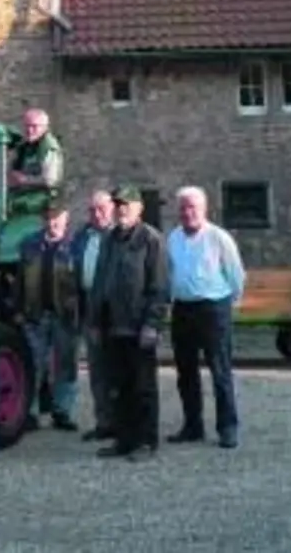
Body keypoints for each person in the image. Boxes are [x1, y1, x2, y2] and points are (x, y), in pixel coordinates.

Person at [89, 185, 170, 462]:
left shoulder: (151, 240)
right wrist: (96, 322)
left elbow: (159, 287)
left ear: (139, 208)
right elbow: (101, 282)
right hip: (113, 326)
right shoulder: (109, 239)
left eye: (127, 204)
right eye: (118, 204)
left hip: (138, 327)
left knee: (143, 387)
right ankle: (124, 440)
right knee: (118, 386)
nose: (122, 209)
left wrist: (152, 324)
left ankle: (146, 442)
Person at [166, 186, 247, 449]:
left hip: (213, 308)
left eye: (193, 207)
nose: (188, 212)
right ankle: (193, 426)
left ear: (204, 209)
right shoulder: (173, 238)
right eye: (183, 207)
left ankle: (228, 427)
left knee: (220, 370)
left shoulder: (218, 238)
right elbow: (168, 273)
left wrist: (227, 303)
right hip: (183, 309)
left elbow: (235, 274)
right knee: (185, 372)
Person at [17, 195, 81, 432]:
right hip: (36, 314)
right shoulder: (29, 245)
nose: (53, 222)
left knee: (66, 365)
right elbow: (19, 281)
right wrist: (19, 310)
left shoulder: (76, 246)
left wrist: (79, 312)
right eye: (49, 218)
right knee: (34, 364)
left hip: (65, 315)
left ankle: (62, 411)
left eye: (57, 218)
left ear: (66, 218)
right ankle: (31, 412)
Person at [72, 190, 116, 442]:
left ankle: (122, 422)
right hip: (89, 305)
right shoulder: (82, 236)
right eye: (92, 210)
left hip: (114, 307)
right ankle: (103, 421)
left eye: (101, 209)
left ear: (111, 209)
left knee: (117, 368)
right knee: (96, 367)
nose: (96, 214)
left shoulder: (119, 236)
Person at [7, 109, 64, 218]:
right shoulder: (24, 146)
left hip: (43, 202)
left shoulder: (49, 147)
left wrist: (24, 180)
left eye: (34, 126)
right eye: (27, 126)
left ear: (45, 128)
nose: (30, 130)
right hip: (24, 197)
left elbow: (50, 180)